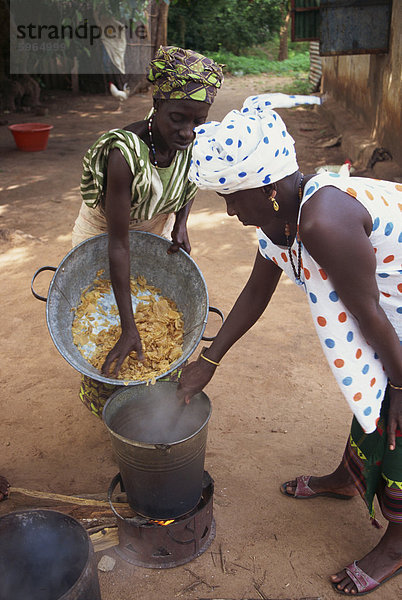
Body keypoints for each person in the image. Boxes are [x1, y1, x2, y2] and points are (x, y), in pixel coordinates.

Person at [177, 94, 402, 596]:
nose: (232, 211)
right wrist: (208, 361)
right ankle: (350, 477)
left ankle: (398, 540)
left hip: (396, 318)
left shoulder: (323, 223)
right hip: (389, 318)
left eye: (234, 197)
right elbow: (258, 288)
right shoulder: (285, 216)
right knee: (373, 385)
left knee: (397, 422)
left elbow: (370, 315)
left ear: (272, 188)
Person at [71, 46, 223, 416]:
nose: (187, 132)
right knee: (103, 318)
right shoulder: (124, 154)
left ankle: (145, 381)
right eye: (177, 119)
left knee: (150, 306)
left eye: (197, 121)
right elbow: (118, 245)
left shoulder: (188, 141)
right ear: (156, 103)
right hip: (104, 237)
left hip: (153, 226)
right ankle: (100, 390)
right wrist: (128, 327)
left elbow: (190, 177)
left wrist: (182, 223)